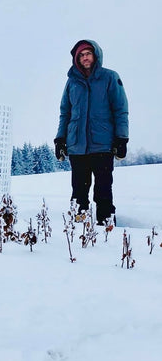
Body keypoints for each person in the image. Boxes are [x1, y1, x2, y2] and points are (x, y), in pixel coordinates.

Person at [54, 39, 129, 225]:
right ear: (76, 59)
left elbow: (120, 109)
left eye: (88, 53)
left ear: (96, 55)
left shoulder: (110, 77)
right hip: (77, 145)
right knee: (79, 190)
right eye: (81, 55)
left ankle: (106, 224)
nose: (85, 58)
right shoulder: (71, 82)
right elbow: (65, 112)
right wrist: (60, 138)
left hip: (102, 144)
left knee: (103, 189)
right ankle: (79, 227)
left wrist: (122, 138)